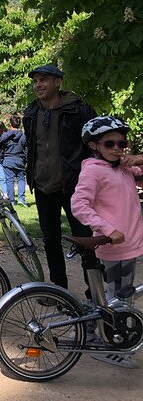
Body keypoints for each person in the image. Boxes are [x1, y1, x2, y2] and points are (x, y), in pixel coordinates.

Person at [71, 116, 143, 369]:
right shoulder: (93, 170)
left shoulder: (122, 169)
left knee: (119, 298)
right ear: (94, 145)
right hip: (113, 247)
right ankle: (105, 342)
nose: (116, 148)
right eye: (109, 143)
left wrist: (137, 159)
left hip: (130, 246)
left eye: (121, 144)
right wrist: (108, 229)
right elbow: (79, 204)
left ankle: (89, 332)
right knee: (115, 300)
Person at [22, 64, 97, 291]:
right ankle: (59, 290)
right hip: (43, 186)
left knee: (85, 238)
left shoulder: (78, 109)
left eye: (43, 80)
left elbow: (96, 143)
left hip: (74, 186)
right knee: (50, 241)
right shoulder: (31, 112)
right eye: (35, 81)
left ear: (57, 82)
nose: (38, 85)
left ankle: (94, 290)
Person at [0, 115, 27, 206]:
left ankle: (11, 200)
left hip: (8, 159)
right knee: (21, 179)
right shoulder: (23, 136)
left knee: (9, 180)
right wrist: (26, 160)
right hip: (19, 159)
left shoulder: (5, 136)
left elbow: (1, 149)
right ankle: (21, 199)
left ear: (10, 123)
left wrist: (1, 159)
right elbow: (26, 149)